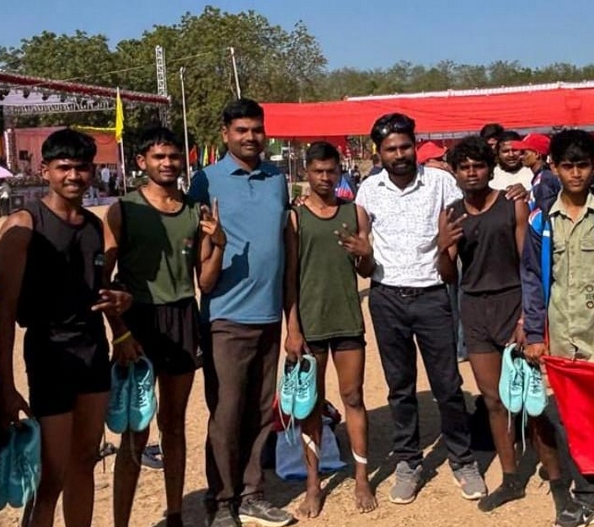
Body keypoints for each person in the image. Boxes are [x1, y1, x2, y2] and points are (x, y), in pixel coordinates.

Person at [0, 129, 131, 527]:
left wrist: (121, 320)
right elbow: (3, 315)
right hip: (50, 353)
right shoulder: (23, 225)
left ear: (93, 171)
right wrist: (6, 387)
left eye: (82, 167)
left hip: (92, 350)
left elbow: (101, 291)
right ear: (45, 170)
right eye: (64, 167)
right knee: (50, 474)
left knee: (85, 459)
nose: (73, 176)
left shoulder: (94, 226)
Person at [355, 113, 485, 505]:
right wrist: (362, 256)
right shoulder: (368, 190)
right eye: (390, 149)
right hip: (387, 297)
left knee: (447, 384)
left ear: (415, 146)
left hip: (432, 296)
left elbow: (465, 222)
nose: (399, 154)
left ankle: (462, 459)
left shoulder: (441, 183)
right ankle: (408, 461)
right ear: (378, 153)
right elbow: (363, 254)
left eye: (405, 146)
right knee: (400, 387)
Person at [436, 135, 564, 514]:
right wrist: (442, 245)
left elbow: (529, 264)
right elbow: (448, 275)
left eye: (478, 165)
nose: (471, 173)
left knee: (530, 401)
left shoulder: (512, 203)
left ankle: (557, 478)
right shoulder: (452, 213)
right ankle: (510, 479)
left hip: (512, 303)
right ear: (455, 173)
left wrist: (528, 316)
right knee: (493, 400)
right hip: (475, 310)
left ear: (490, 169)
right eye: (464, 167)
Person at [106, 127, 226, 527]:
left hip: (181, 319)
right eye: (159, 157)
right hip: (138, 321)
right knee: (135, 430)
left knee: (173, 425)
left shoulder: (195, 211)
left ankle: (175, 515)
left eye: (174, 156)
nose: (168, 163)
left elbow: (205, 281)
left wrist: (220, 243)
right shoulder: (124, 210)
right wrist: (120, 332)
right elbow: (104, 282)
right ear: (142, 162)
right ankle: (121, 521)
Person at [522, 129, 594, 527]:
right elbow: (532, 279)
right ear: (553, 167)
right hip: (561, 336)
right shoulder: (541, 220)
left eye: (583, 165)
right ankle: (587, 494)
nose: (576, 174)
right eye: (567, 166)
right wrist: (534, 334)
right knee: (573, 420)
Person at [188, 98, 294, 527]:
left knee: (261, 412)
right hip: (226, 318)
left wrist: (290, 319)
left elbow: (285, 247)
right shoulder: (205, 180)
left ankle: (252, 494)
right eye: (241, 130)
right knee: (226, 415)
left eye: (257, 129)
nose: (251, 137)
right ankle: (221, 500)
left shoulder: (276, 179)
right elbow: (197, 251)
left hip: (269, 316)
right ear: (225, 134)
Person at [283, 141, 377, 518]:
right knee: (312, 405)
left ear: (340, 172)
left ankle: (361, 477)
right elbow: (290, 279)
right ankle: (313, 483)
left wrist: (364, 254)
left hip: (346, 318)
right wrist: (292, 328)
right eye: (318, 171)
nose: (324, 177)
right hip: (311, 323)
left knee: (353, 396)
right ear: (306, 172)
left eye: (331, 171)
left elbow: (366, 270)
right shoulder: (295, 218)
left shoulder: (355, 213)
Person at [514, 133, 561, 208]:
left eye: (524, 153)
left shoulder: (545, 178)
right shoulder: (541, 177)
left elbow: (546, 210)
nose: (520, 157)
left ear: (536, 154)